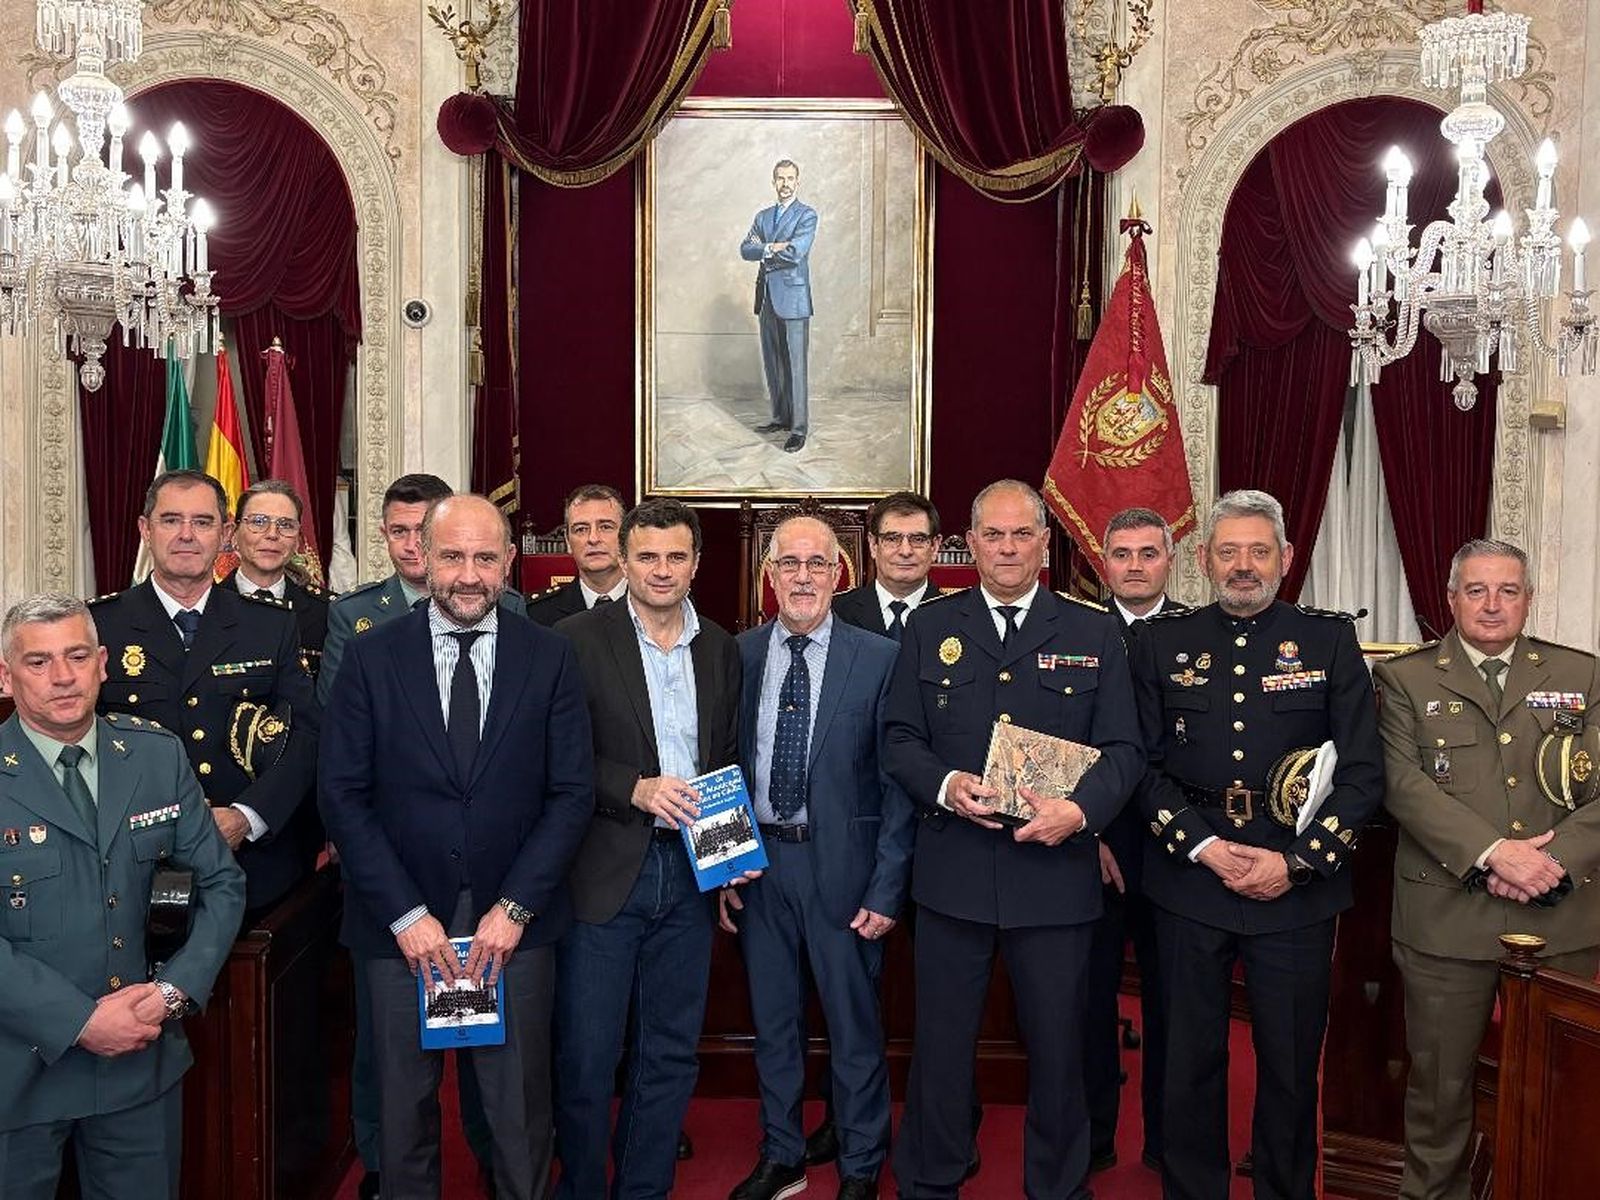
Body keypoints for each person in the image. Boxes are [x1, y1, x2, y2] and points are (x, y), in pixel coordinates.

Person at [319, 494, 593, 1200]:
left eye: (483, 557)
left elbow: (572, 794)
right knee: (403, 1112)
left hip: (515, 928)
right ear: (421, 558)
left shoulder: (551, 656)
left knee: (518, 1113)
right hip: (399, 926)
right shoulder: (372, 656)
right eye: (451, 557)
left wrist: (515, 908)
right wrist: (407, 915)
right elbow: (342, 795)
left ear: (508, 562)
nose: (468, 575)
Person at [886, 479, 1144, 1200]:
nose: (1006, 548)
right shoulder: (928, 627)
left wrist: (1080, 813)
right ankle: (931, 1179)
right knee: (939, 1048)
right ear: (969, 544)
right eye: (993, 536)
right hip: (953, 877)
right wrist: (943, 785)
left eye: (1021, 535)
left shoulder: (1093, 631)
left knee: (1060, 1052)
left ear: (1045, 544)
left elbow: (1124, 749)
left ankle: (1058, 1187)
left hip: (1055, 878)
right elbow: (900, 738)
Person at [1130, 488, 1384, 1200]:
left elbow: (1363, 775)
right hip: (1189, 880)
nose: (1244, 566)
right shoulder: (1161, 643)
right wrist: (1204, 848)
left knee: (1290, 1065)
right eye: (1230, 551)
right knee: (1189, 1060)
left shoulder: (1330, 640)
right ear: (1204, 560)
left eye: (1259, 551)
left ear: (1286, 558)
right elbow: (1140, 768)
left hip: (1296, 887)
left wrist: (1298, 863)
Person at [1373, 539, 1600, 1200]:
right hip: (1449, 918)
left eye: (1508, 590)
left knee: (1566, 1086)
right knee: (1439, 1089)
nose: (1492, 604)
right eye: (1476, 590)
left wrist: (1551, 860)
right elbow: (1401, 784)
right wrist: (1496, 853)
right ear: (1451, 599)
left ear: (1528, 599)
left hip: (1564, 915)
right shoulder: (1406, 678)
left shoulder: (1581, 676)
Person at [0, 593, 245, 1199]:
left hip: (138, 1059)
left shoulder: (155, 756)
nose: (62, 677)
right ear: (5, 675)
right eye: (38, 662)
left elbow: (220, 883)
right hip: (15, 1071)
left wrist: (170, 993)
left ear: (104, 662)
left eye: (77, 656)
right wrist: (80, 1021)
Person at [551, 498, 741, 1199]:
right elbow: (556, 758)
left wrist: (728, 868)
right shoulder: (574, 639)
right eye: (648, 557)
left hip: (691, 876)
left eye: (676, 556)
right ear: (622, 561)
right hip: (605, 874)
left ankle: (645, 1188)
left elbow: (723, 762)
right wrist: (631, 788)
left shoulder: (721, 645)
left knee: (669, 1054)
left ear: (696, 563)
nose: (662, 571)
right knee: (588, 1058)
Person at [720, 516, 913, 1200]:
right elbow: (722, 768)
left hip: (846, 874)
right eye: (789, 564)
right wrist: (722, 870)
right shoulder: (735, 655)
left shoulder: (881, 657)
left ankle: (861, 1164)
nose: (803, 576)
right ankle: (784, 1155)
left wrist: (888, 889)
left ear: (840, 574)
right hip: (760, 869)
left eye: (817, 564)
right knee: (773, 1024)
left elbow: (898, 788)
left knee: (854, 1027)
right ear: (769, 576)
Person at [89, 468, 320, 916]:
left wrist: (246, 817)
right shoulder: (100, 625)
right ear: (145, 529)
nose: (186, 535)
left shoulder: (270, 625)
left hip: (254, 867)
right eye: (171, 520)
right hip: (130, 867)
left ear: (226, 533)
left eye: (203, 522)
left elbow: (305, 735)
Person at [1086, 506, 1183, 1173]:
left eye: (1149, 553)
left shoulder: (1200, 634)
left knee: (1176, 1005)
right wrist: (1084, 832)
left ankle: (1167, 1139)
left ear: (1170, 560)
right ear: (1104, 562)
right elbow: (1060, 742)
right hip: (1094, 848)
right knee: (1088, 1002)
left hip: (1179, 853)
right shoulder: (1077, 631)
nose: (1135, 567)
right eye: (1122, 554)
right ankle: (1093, 1136)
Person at [319, 473, 526, 705]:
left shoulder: (506, 603)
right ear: (384, 534)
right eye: (399, 531)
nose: (411, 546)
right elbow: (337, 709)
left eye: (422, 530)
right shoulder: (352, 611)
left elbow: (518, 699)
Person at [740, 158, 817, 454]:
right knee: (774, 362)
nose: (785, 184)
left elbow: (797, 252)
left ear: (798, 181)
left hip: (794, 298)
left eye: (790, 178)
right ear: (773, 182)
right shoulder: (762, 216)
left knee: (795, 366)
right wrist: (773, 247)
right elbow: (745, 249)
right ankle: (781, 418)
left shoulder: (807, 215)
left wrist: (766, 250)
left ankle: (798, 429)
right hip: (767, 297)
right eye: (780, 179)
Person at [221, 479, 333, 680]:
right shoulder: (203, 608)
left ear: (298, 540)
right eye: (258, 522)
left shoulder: (328, 612)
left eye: (286, 525)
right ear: (234, 534)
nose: (272, 534)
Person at [833, 492, 941, 642]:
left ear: (935, 547)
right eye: (892, 539)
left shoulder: (957, 616)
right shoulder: (836, 614)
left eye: (917, 539)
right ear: (873, 545)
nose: (905, 551)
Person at [526, 484, 628, 626]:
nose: (593, 538)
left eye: (605, 527)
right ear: (568, 542)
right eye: (581, 529)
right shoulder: (536, 613)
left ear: (626, 538)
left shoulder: (653, 604)